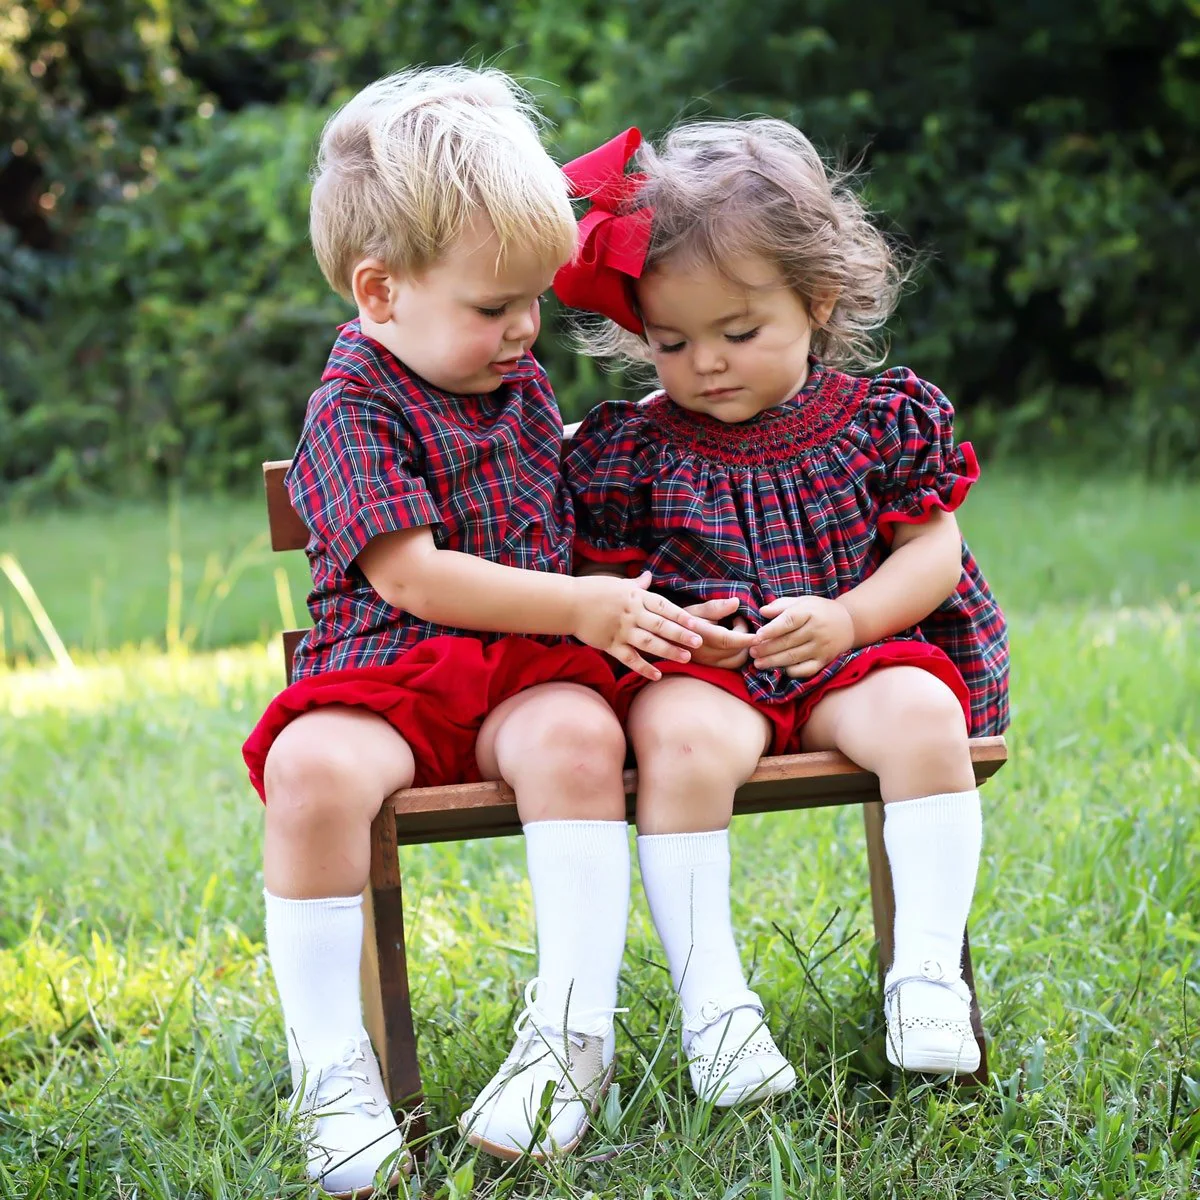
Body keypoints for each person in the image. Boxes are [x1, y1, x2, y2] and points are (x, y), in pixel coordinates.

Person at [241, 71, 744, 1192]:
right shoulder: (353, 405)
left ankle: (572, 1034)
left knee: (578, 741)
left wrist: (655, 604)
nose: (525, 329)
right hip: (388, 673)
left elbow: (580, 517)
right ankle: (332, 1065)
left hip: (525, 674)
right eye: (492, 307)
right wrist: (579, 605)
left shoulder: (513, 381)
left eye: (531, 301)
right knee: (310, 772)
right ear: (379, 294)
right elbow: (412, 579)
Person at [554, 121, 1010, 1099]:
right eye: (672, 342)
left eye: (738, 332)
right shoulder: (633, 450)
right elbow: (602, 583)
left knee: (926, 714)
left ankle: (925, 976)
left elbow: (932, 550)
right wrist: (679, 635)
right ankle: (715, 1010)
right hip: (705, 675)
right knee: (677, 743)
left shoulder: (880, 419)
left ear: (817, 301)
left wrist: (850, 620)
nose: (706, 363)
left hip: (848, 659)